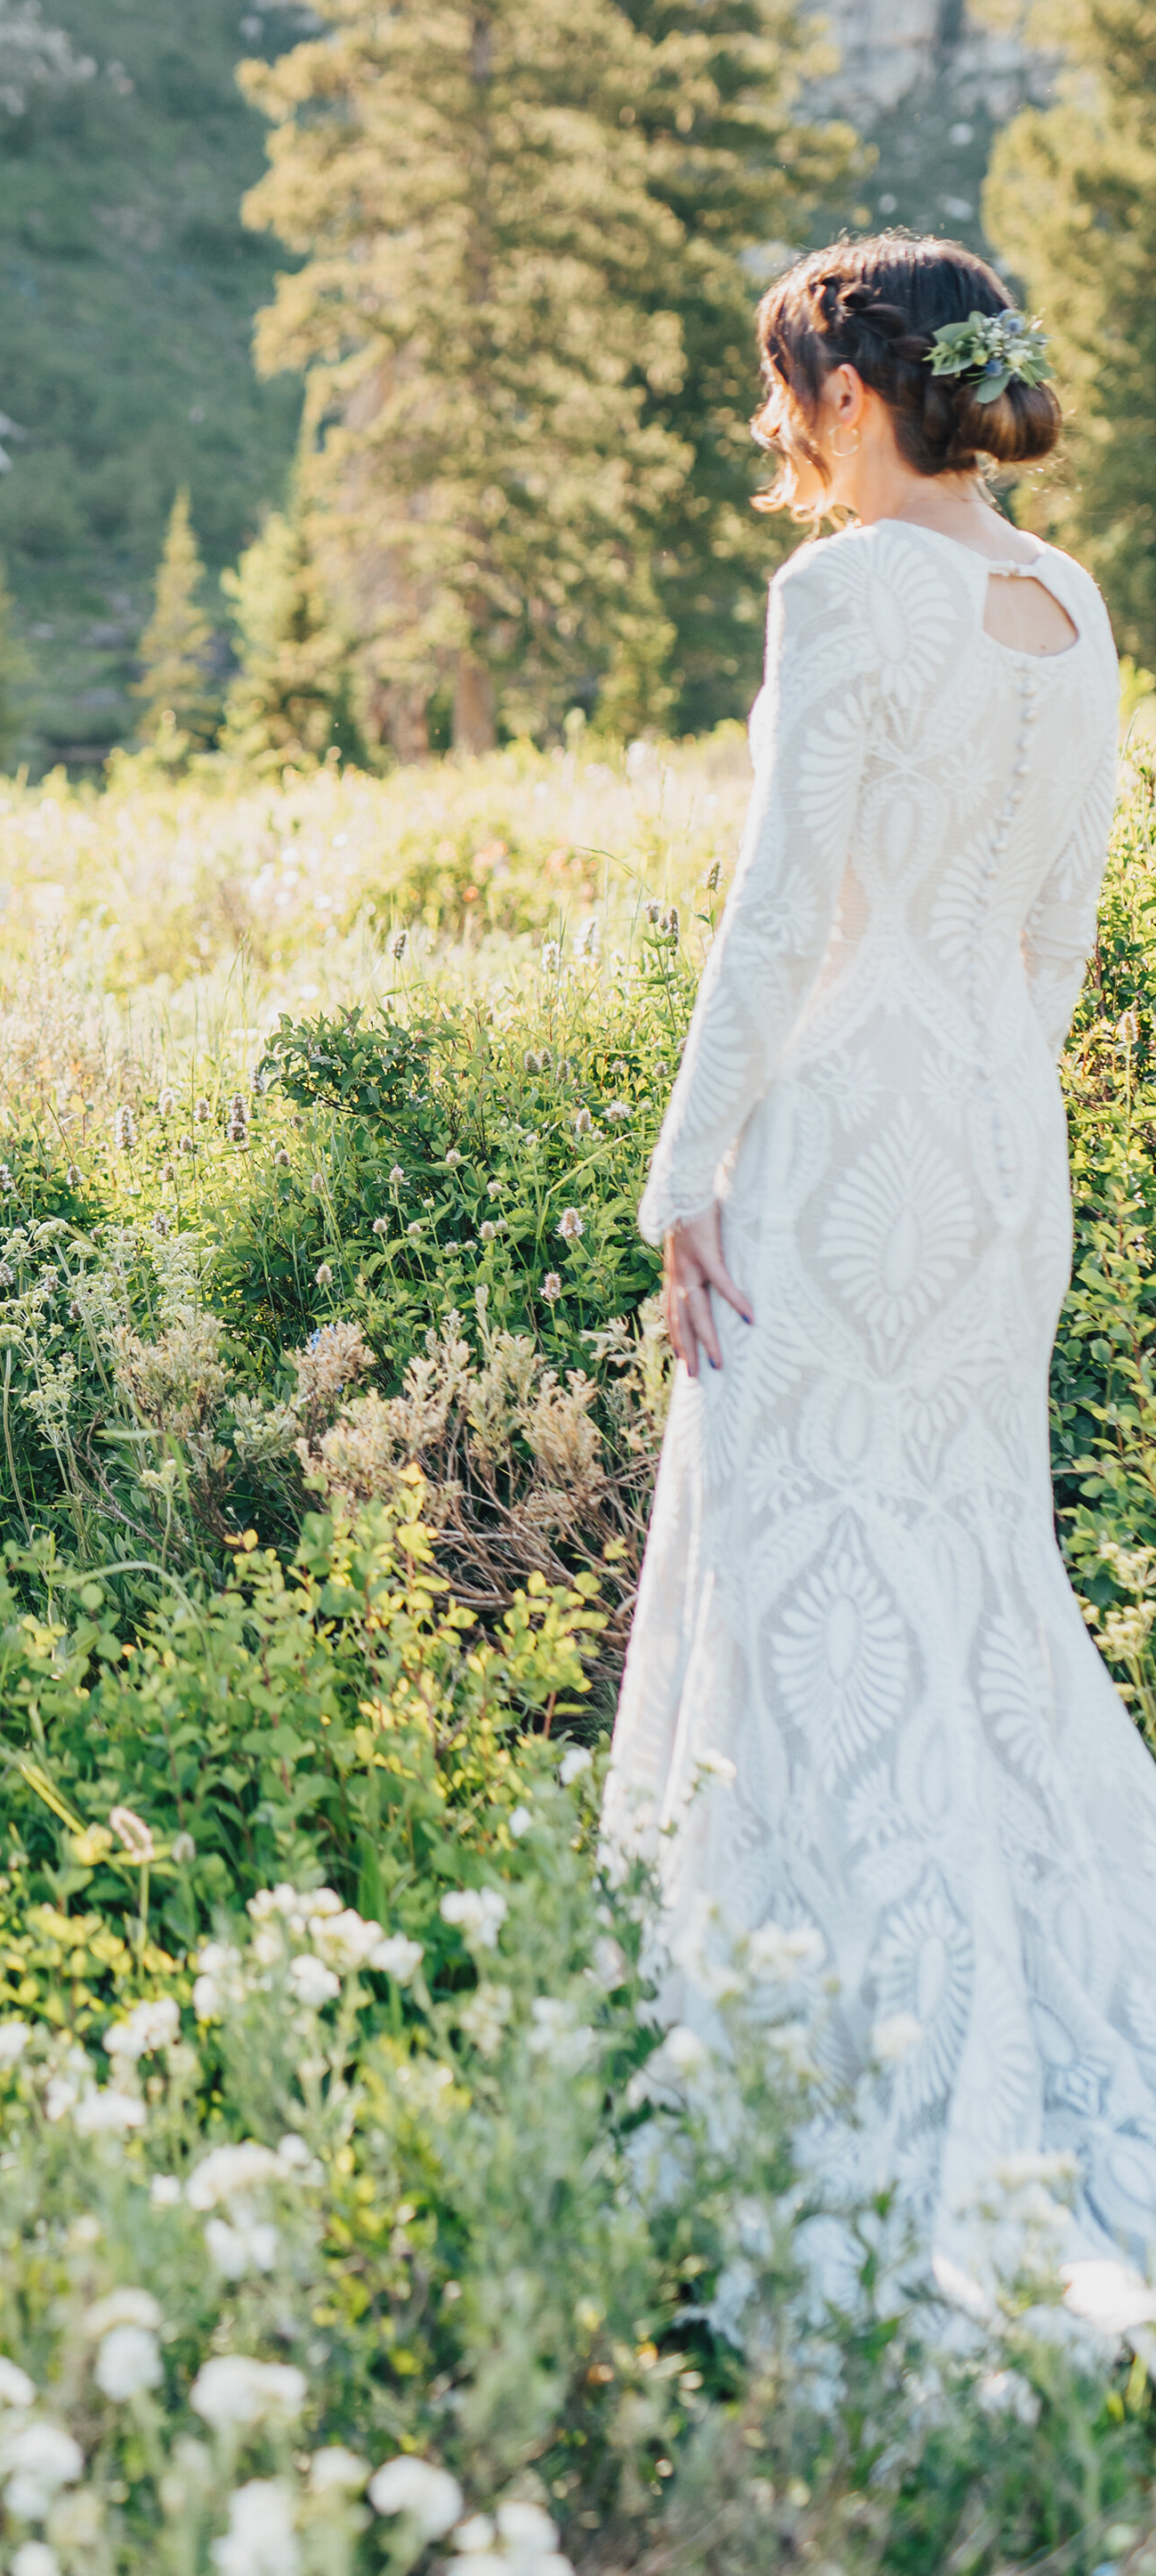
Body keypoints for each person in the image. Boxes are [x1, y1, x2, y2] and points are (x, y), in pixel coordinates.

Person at [606, 229, 1156, 2280]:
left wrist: (688, 1170)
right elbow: (1057, 937)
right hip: (1004, 1133)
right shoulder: (1067, 597)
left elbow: (776, 920)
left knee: (806, 1569)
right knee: (969, 1567)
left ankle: (851, 2057)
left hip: (842, 1126)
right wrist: (1004, 1110)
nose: (776, 434)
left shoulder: (840, 589)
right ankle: (1038, 2012)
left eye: (785, 393)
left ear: (853, 392)